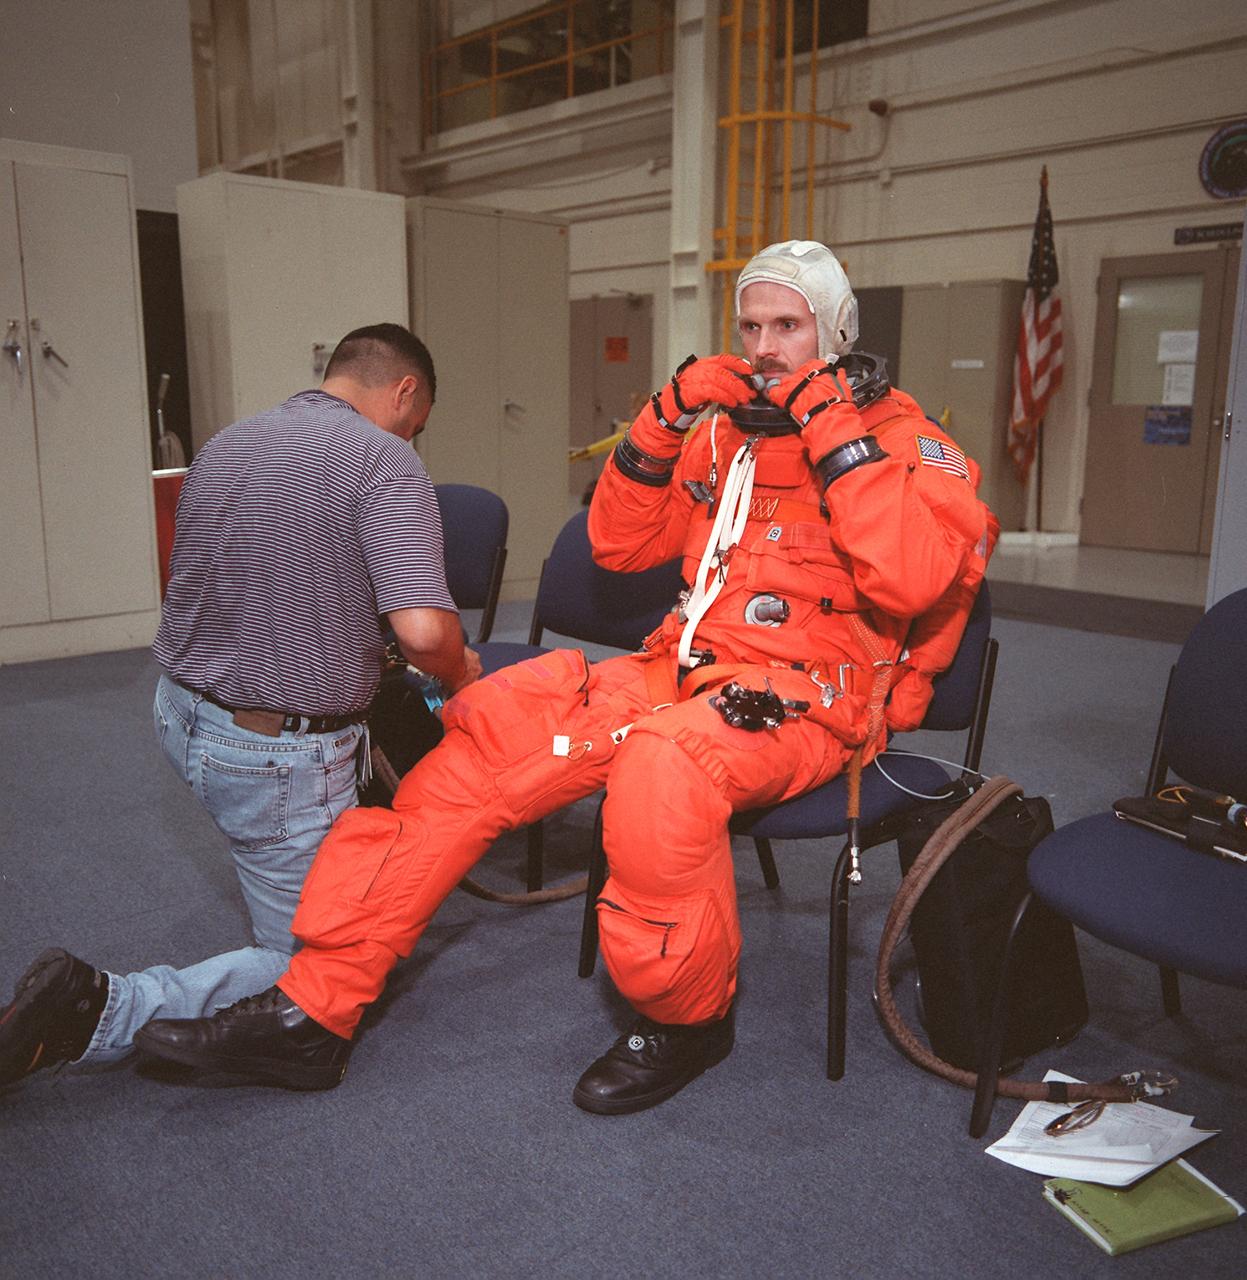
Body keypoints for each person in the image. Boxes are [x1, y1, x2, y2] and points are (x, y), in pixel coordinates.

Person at [131, 242, 998, 1111]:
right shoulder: (727, 440)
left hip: (812, 698)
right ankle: (313, 1016)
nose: (764, 347)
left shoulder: (911, 447)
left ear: (836, 332)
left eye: (788, 327)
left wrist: (836, 434)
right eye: (750, 327)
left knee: (665, 767)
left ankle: (687, 1019)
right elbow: (619, 545)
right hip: (682, 671)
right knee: (486, 731)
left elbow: (915, 582)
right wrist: (664, 418)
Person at [0, 323, 481, 1090]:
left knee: (320, 884)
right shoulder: (383, 459)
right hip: (271, 755)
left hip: (179, 713)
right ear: (404, 393)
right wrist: (460, 673)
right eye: (414, 426)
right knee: (316, 974)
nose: (411, 439)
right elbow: (424, 632)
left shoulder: (227, 443)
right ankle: (94, 1007)